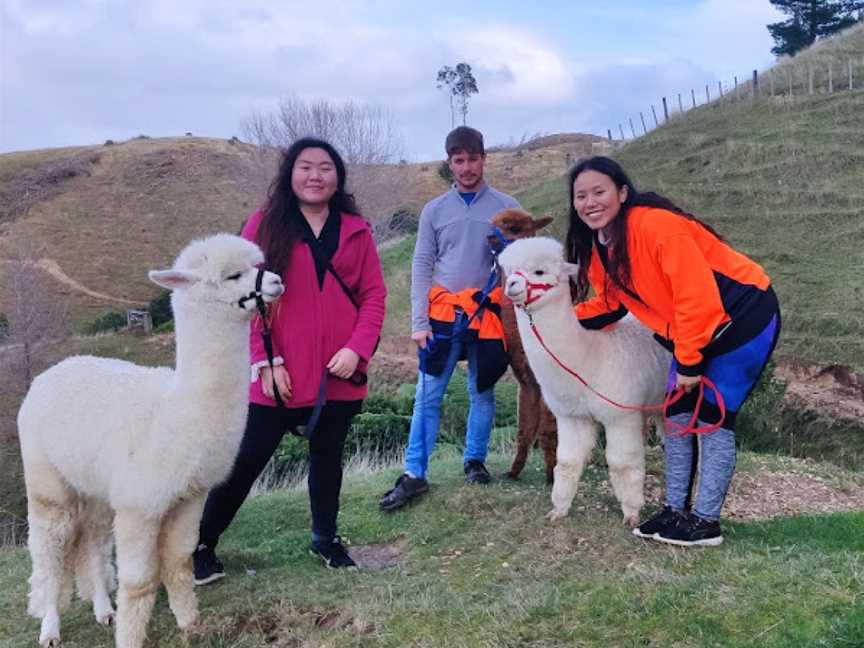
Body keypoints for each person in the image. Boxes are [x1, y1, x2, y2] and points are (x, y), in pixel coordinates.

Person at [193, 137, 386, 580]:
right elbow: (243, 295)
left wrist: (356, 348)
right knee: (244, 463)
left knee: (327, 458)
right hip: (276, 376)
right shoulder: (264, 226)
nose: (315, 175)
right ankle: (200, 544)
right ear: (290, 173)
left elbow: (374, 296)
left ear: (338, 178)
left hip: (338, 372)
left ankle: (325, 539)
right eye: (305, 166)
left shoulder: (356, 230)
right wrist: (266, 360)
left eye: (325, 168)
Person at [567, 156, 780, 547]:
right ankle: (675, 511)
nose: (589, 202)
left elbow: (695, 298)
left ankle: (705, 523)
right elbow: (612, 304)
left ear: (623, 193)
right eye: (581, 196)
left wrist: (689, 362)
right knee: (678, 416)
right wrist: (560, 318)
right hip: (692, 329)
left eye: (599, 192)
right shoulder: (601, 246)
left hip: (744, 317)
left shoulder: (657, 226)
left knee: (713, 418)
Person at [378, 126, 520, 512]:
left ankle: (474, 461)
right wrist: (418, 322)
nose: (468, 167)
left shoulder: (507, 207)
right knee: (428, 394)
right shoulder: (434, 211)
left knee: (482, 390)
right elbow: (423, 262)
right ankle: (414, 473)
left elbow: (522, 260)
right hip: (443, 315)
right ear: (450, 163)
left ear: (483, 159)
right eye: (459, 160)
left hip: (487, 313)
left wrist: (507, 247)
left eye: (474, 158)